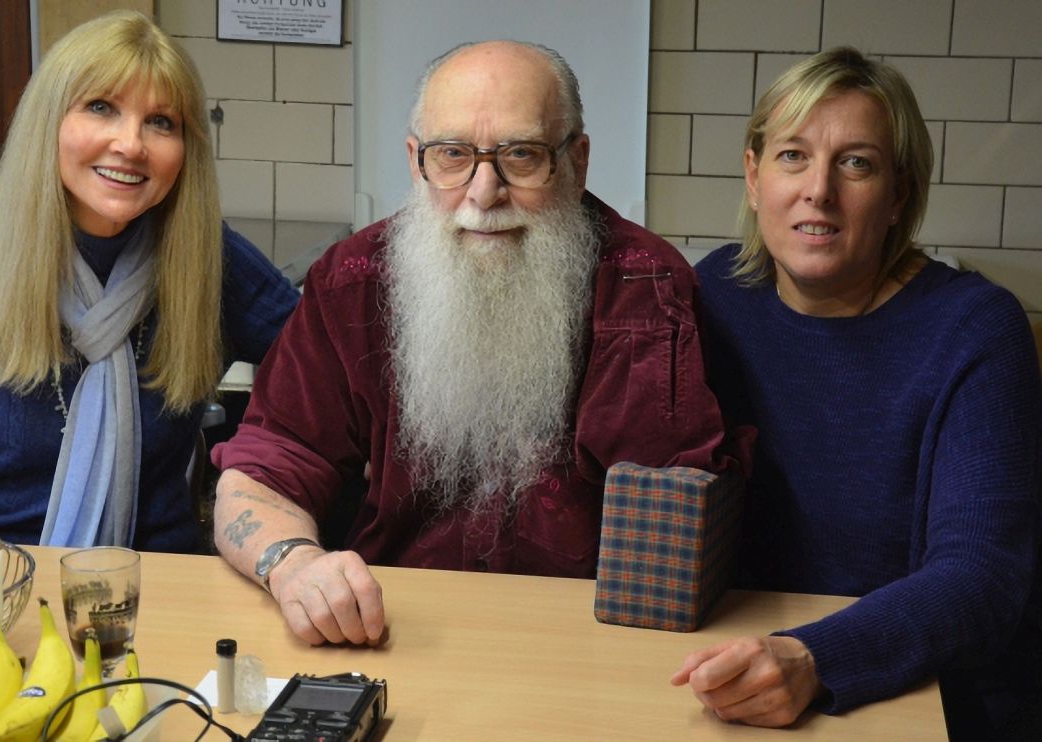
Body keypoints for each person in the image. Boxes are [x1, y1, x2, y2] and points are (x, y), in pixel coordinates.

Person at [211, 40, 739, 646]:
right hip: (393, 627)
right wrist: (294, 564)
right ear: (416, 162)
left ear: (577, 161)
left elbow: (668, 511)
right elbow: (270, 462)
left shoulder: (646, 287)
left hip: (586, 635)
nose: (484, 192)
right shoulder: (351, 281)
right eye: (453, 155)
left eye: (522, 155)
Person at [674, 47, 1042, 739]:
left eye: (857, 163)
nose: (819, 190)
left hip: (927, 691)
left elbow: (984, 575)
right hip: (737, 669)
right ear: (753, 177)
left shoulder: (975, 328)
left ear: (899, 194)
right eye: (792, 156)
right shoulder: (714, 295)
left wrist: (816, 657)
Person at [0, 11, 299, 552]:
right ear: (47, 123)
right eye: (101, 107)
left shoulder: (206, 260)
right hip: (4, 582)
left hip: (164, 579)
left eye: (161, 122)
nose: (131, 144)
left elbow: (333, 375)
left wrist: (256, 469)